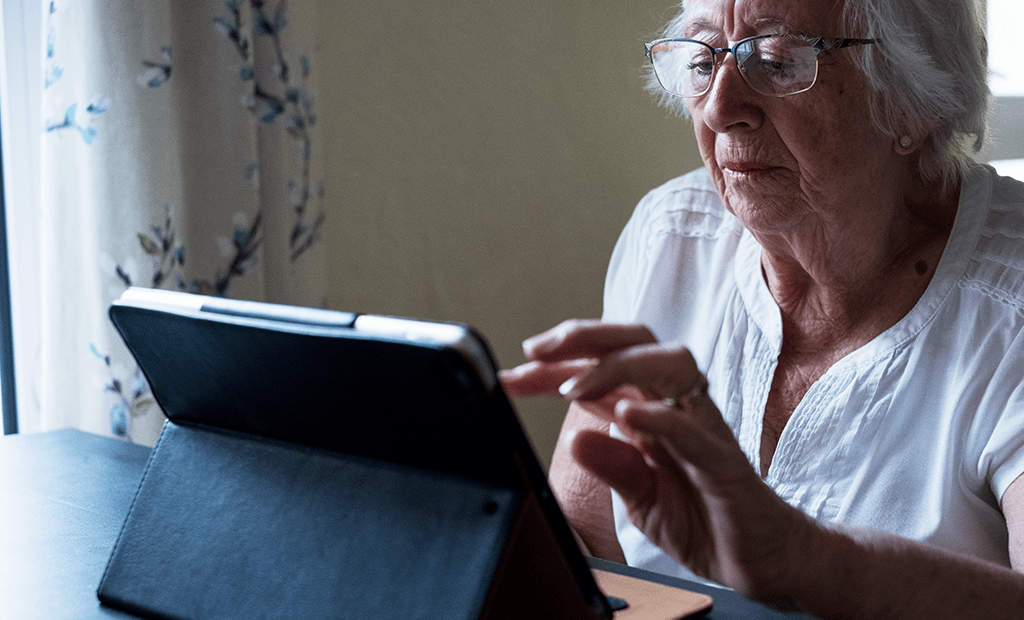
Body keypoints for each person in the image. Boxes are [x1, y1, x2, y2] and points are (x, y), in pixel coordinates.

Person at [500, 0, 1024, 617]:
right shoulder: (674, 237)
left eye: (776, 61)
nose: (720, 108)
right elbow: (584, 551)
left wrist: (804, 558)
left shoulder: (1006, 310)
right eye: (704, 57)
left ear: (912, 103)